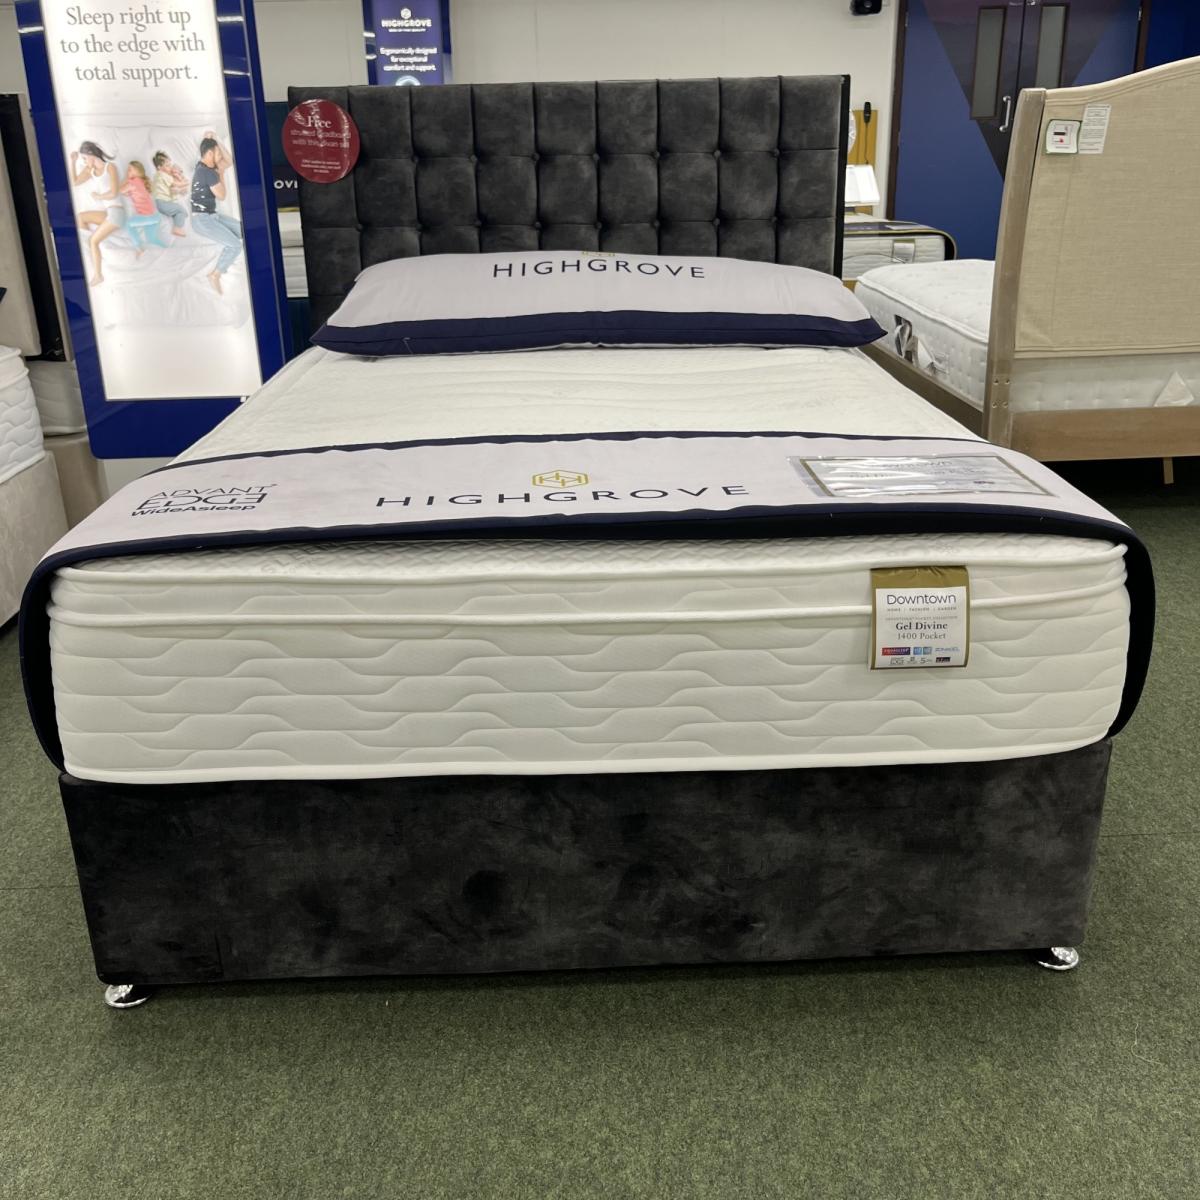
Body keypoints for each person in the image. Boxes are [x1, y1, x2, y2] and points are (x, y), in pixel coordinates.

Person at [190, 131, 243, 294]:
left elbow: (229, 161)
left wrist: (216, 141)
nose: (220, 157)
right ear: (209, 154)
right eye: (218, 153)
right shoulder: (207, 172)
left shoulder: (202, 166)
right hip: (202, 220)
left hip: (213, 216)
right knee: (235, 245)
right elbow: (222, 196)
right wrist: (220, 173)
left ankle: (215, 274)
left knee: (244, 230)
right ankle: (215, 274)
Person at [70, 140, 122, 286]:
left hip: (117, 213)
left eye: (85, 158)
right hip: (108, 212)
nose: (84, 162)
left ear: (91, 154)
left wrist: (99, 196)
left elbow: (114, 192)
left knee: (93, 240)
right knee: (80, 218)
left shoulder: (110, 167)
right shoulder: (90, 171)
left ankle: (98, 275)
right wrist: (73, 162)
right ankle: (88, 259)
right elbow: (74, 182)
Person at [150, 150, 189, 237]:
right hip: (163, 203)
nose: (170, 167)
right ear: (159, 167)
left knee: (180, 212)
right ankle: (177, 228)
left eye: (170, 164)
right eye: (167, 166)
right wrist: (186, 183)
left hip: (163, 203)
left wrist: (178, 178)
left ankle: (178, 220)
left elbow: (173, 188)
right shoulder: (162, 175)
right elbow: (176, 184)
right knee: (181, 210)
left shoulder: (158, 176)